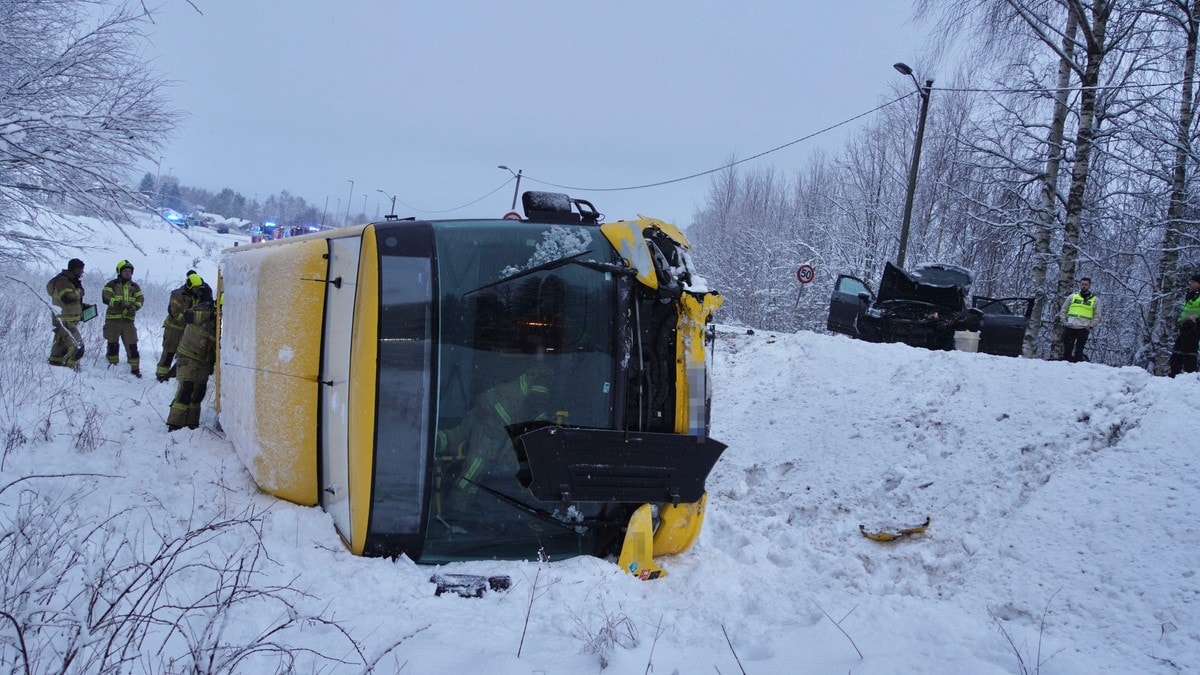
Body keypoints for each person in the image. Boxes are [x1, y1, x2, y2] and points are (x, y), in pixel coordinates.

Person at [433, 362, 556, 516]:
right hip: (492, 431)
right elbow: (512, 424)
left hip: (498, 434)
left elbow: (537, 415)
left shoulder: (535, 388)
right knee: (475, 468)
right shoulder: (501, 399)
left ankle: (534, 512)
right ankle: (457, 511)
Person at [167, 286, 217, 431]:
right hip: (188, 356)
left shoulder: (222, 321)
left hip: (204, 360)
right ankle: (175, 424)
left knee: (199, 392)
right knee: (186, 389)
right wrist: (211, 315)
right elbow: (188, 316)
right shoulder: (204, 308)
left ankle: (191, 423)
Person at [156, 271, 210, 382]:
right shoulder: (178, 295)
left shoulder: (198, 296)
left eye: (198, 288)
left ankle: (175, 376)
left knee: (183, 354)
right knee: (169, 351)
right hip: (173, 328)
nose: (197, 290)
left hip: (187, 330)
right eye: (195, 288)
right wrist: (187, 319)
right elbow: (173, 312)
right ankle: (161, 373)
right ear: (190, 286)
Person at [102, 260, 145, 377]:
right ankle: (112, 366)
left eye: (130, 271)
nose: (128, 273)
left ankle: (135, 369)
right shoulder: (112, 284)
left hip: (128, 321)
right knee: (113, 344)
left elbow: (140, 299)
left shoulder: (135, 286)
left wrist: (135, 307)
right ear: (120, 272)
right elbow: (105, 298)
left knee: (132, 344)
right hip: (113, 320)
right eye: (125, 271)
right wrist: (120, 303)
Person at [46, 258, 87, 368]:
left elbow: (70, 301)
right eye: (79, 270)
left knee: (60, 345)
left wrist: (81, 308)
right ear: (72, 269)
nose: (81, 273)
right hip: (65, 320)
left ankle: (54, 365)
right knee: (78, 347)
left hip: (67, 319)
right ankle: (70, 369)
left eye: (82, 270)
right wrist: (80, 291)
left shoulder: (70, 281)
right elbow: (68, 298)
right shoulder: (63, 281)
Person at [1059, 277, 1100, 362]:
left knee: (1079, 351)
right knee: (1067, 350)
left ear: (1089, 285)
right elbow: (1063, 310)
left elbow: (1097, 316)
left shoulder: (1095, 300)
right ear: (1079, 285)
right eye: (1082, 284)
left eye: (1086, 284)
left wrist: (1090, 325)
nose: (1084, 286)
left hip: (1084, 328)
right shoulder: (1072, 297)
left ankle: (1077, 369)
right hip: (1070, 326)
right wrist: (1064, 322)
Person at [1168, 274, 1200, 377]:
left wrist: (1195, 320)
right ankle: (1173, 376)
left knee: (1189, 354)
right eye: (1190, 281)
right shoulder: (1192, 294)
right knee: (1177, 353)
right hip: (1185, 327)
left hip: (1194, 328)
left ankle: (1190, 378)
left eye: (1193, 282)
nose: (1190, 283)